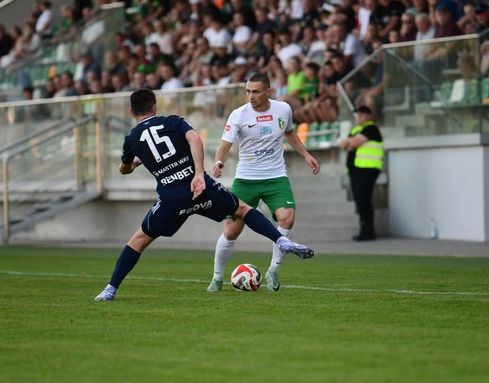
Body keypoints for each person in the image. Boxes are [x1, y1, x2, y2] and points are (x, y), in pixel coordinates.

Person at [95, 88, 314, 301]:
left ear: (131, 112)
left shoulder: (132, 139)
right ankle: (280, 240)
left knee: (139, 240)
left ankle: (110, 289)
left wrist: (135, 162)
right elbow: (195, 139)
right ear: (154, 106)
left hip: (172, 200)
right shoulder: (173, 121)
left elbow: (124, 169)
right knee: (243, 209)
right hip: (201, 189)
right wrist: (199, 175)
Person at [207, 73, 320, 292]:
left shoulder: (283, 109)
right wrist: (219, 162)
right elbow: (225, 145)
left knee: (287, 219)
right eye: (248, 91)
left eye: (256, 92)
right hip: (246, 179)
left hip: (276, 176)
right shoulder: (238, 115)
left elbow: (290, 133)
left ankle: (273, 270)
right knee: (231, 231)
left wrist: (306, 155)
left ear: (268, 92)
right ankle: (217, 278)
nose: (251, 96)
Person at [340, 105, 383, 241]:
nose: (358, 117)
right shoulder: (356, 130)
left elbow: (353, 143)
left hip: (367, 170)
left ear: (368, 115)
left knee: (364, 201)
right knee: (360, 201)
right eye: (357, 114)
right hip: (356, 170)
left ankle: (368, 232)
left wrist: (350, 142)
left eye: (361, 114)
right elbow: (344, 145)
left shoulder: (371, 128)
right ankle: (364, 230)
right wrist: (349, 143)